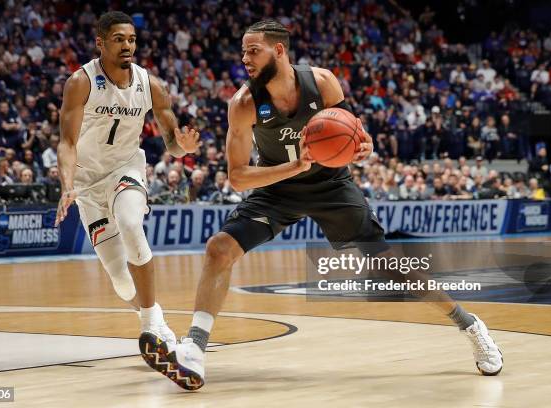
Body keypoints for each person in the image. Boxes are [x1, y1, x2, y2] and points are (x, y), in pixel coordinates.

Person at [144, 20, 503, 390]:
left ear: (279, 51)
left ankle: (469, 324)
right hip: (277, 186)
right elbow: (237, 176)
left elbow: (355, 135)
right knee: (219, 248)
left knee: (392, 267)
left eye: (254, 51)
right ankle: (194, 349)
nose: (245, 59)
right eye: (243, 52)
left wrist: (366, 148)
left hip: (331, 185)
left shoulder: (324, 82)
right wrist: (292, 167)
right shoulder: (244, 103)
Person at [55, 11, 199, 372]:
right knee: (120, 282)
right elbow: (67, 142)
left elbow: (172, 143)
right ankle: (158, 319)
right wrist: (68, 185)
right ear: (100, 43)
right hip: (88, 183)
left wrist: (183, 147)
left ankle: (151, 325)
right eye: (119, 39)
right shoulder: (80, 82)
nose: (128, 45)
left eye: (132, 39)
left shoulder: (150, 85)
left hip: (126, 169)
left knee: (131, 223)